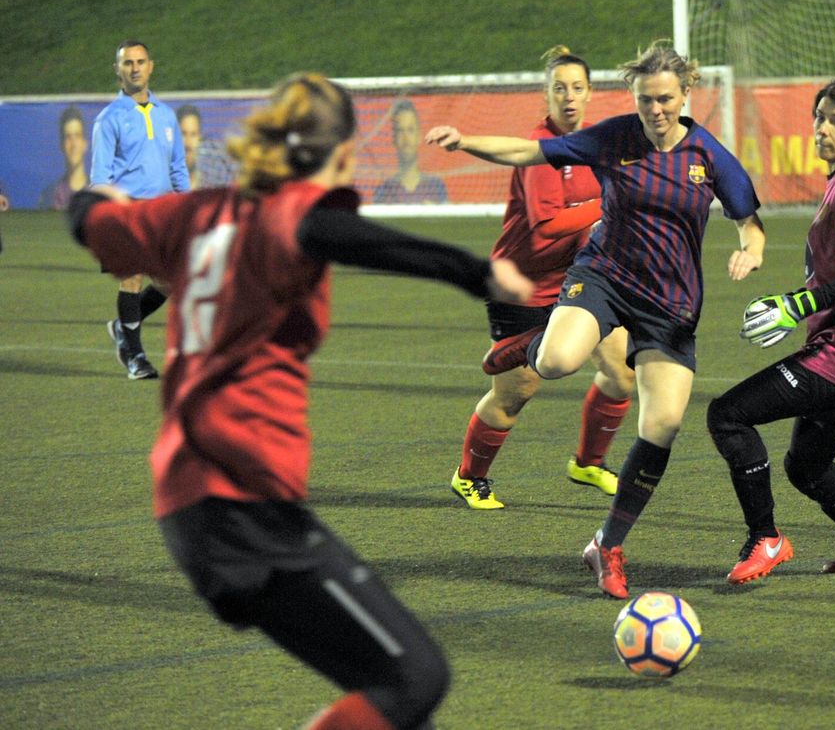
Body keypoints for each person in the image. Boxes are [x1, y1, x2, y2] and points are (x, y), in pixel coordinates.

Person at [68, 72, 533, 730]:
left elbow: (89, 221)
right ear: (342, 151)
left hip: (193, 505)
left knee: (391, 700)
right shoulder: (287, 214)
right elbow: (336, 232)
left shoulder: (189, 214)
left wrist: (94, 197)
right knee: (416, 678)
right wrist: (476, 273)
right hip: (244, 508)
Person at [427, 40, 766, 598]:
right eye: (645, 100)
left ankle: (607, 545)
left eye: (664, 99)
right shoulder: (614, 137)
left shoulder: (708, 155)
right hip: (604, 278)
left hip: (670, 304)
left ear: (685, 94)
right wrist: (465, 142)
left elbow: (748, 221)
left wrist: (751, 250)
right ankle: (528, 347)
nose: (654, 110)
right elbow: (528, 152)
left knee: (662, 427)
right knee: (558, 360)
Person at [707, 79, 835, 585]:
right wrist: (802, 305)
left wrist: (797, 306)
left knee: (729, 415)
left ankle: (766, 539)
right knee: (808, 466)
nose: (823, 128)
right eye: (820, 116)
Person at [450, 45, 635, 510]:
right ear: (546, 94)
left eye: (577, 88)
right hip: (522, 283)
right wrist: (609, 201)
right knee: (516, 392)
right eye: (559, 88)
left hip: (579, 279)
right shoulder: (540, 148)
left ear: (590, 93)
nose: (569, 97)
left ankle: (588, 463)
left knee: (621, 371)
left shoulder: (597, 143)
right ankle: (469, 477)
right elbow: (548, 226)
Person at [90, 39, 190, 380]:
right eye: (128, 63)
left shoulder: (166, 115)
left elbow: (177, 167)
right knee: (131, 278)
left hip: (161, 212)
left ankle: (123, 328)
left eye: (140, 62)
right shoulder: (108, 119)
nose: (135, 68)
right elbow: (100, 176)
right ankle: (136, 357)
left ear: (151, 66)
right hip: (125, 209)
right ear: (117, 70)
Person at [373, 98, 448, 204]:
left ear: (419, 136)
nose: (406, 138)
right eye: (400, 130)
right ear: (394, 138)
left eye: (410, 130)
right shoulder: (384, 190)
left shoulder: (435, 186)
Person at [39, 106, 89, 210]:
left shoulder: (99, 194)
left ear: (85, 144)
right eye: (68, 137)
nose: (73, 144)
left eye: (77, 136)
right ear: (62, 145)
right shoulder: (49, 197)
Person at [176, 104, 203, 188]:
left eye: (193, 134)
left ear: (200, 138)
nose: (188, 143)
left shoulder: (210, 186)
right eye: (183, 134)